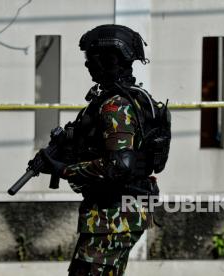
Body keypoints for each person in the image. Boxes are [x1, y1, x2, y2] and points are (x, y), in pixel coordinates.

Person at [40, 24, 166, 276]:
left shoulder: (116, 106)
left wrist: (64, 170)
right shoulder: (122, 99)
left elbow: (119, 165)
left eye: (92, 58)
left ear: (110, 58)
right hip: (111, 215)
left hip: (115, 215)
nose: (87, 65)